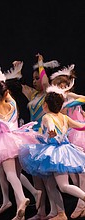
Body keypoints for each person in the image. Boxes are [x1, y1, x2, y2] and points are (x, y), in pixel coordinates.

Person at [0, 59, 40, 220]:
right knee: (17, 174)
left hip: (3, 144)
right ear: (6, 93)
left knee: (11, 174)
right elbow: (4, 93)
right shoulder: (12, 105)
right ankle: (21, 211)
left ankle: (22, 198)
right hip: (18, 140)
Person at [19, 84, 85, 220]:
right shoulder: (64, 117)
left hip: (55, 153)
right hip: (61, 150)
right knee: (50, 185)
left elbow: (50, 124)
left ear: (45, 105)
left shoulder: (47, 116)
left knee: (64, 185)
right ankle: (61, 213)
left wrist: (51, 130)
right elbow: (81, 126)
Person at [51, 65, 85, 219]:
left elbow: (83, 99)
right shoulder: (58, 102)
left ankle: (81, 203)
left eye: (65, 85)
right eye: (60, 86)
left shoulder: (71, 96)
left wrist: (71, 101)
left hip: (80, 135)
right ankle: (81, 200)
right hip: (68, 136)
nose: (63, 88)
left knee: (82, 172)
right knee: (74, 174)